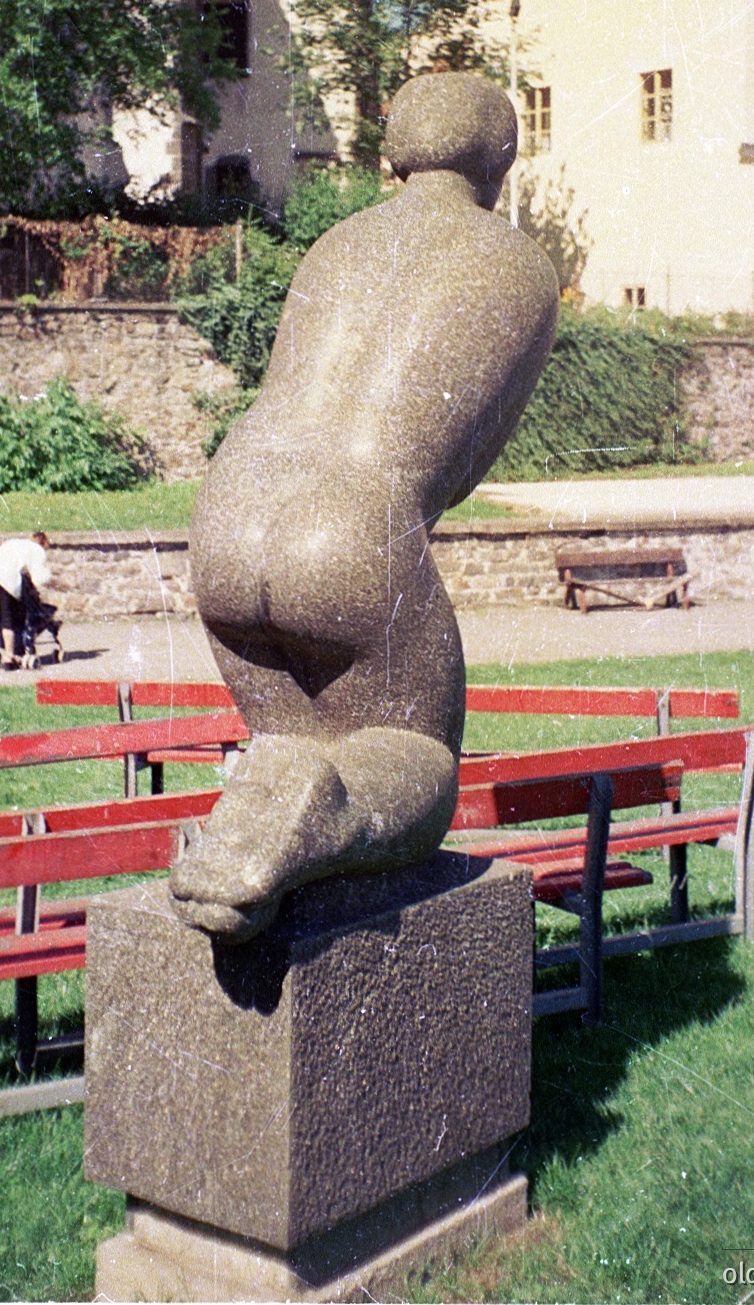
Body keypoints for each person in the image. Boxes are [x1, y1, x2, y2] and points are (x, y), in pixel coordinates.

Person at [170, 72, 559, 941]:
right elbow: (454, 467)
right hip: (351, 521)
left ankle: (271, 831)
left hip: (231, 510)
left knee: (299, 742)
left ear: (396, 152)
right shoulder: (516, 266)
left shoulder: (335, 245)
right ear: (500, 160)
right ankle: (319, 810)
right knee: (416, 762)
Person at [0, 532, 51, 673]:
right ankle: (8, 659)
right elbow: (39, 577)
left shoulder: (14, 542)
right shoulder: (37, 550)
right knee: (7, 618)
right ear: (43, 543)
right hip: (6, 579)